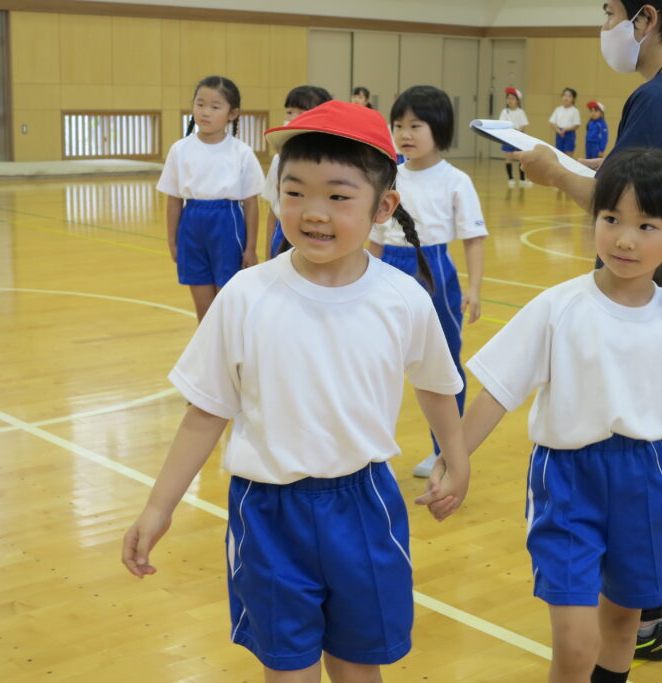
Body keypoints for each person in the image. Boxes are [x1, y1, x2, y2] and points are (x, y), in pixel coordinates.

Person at [122, 101, 470, 683]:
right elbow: (205, 412)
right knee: (288, 671)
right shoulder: (245, 295)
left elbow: (437, 385)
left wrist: (455, 459)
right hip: (267, 512)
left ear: (384, 206)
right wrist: (159, 507)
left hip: (365, 507)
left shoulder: (403, 298)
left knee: (360, 668)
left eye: (338, 196)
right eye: (294, 192)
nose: (313, 213)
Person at [452, 149, 662, 683]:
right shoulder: (558, 307)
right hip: (567, 480)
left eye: (646, 225)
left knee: (623, 627)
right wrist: (452, 461)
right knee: (574, 645)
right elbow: (498, 391)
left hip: (643, 478)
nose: (624, 239)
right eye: (611, 219)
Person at [518, 0, 662, 661]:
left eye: (609, 10)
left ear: (645, 18)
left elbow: (630, 204)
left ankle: (641, 614)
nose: (604, 23)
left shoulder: (659, 95)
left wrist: (554, 171)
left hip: (658, 309)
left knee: (648, 461)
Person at [368, 85, 488, 478]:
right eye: (398, 125)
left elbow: (473, 238)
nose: (404, 133)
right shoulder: (388, 175)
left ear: (438, 128)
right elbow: (375, 238)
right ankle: (370, 447)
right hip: (389, 271)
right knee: (376, 360)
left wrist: (474, 288)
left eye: (415, 125)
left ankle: (447, 454)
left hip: (435, 273)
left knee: (443, 363)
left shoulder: (456, 180)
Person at [157, 75, 264, 322]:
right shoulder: (180, 149)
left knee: (226, 306)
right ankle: (208, 359)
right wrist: (172, 240)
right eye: (200, 104)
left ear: (232, 113)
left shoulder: (241, 152)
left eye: (215, 107)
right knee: (204, 309)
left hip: (227, 224)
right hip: (192, 224)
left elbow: (250, 204)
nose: (205, 112)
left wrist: (250, 248)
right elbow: (173, 199)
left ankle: (231, 358)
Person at [262, 85, 333, 260]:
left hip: (318, 234)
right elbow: (273, 212)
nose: (292, 117)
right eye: (289, 112)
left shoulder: (334, 163)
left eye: (301, 111)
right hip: (283, 234)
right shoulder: (279, 160)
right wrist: (267, 257)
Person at [499, 86, 531, 187]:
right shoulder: (504, 112)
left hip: (519, 138)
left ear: (517, 100)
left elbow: (524, 124)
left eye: (512, 98)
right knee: (509, 158)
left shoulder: (521, 112)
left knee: (521, 159)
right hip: (508, 138)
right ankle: (510, 178)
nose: (510, 100)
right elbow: (501, 124)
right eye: (508, 98)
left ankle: (522, 179)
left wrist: (518, 131)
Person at [549, 87, 581, 158]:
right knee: (559, 153)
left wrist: (565, 130)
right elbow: (552, 122)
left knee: (568, 154)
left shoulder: (575, 110)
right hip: (559, 133)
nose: (566, 98)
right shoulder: (558, 109)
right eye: (564, 95)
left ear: (574, 99)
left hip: (569, 134)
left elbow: (576, 125)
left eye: (569, 96)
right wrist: (558, 130)